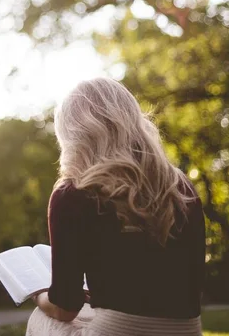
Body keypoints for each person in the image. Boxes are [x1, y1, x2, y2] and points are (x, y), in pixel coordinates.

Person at [26, 76, 206, 336]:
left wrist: (39, 295)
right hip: (187, 332)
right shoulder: (180, 187)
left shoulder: (72, 193)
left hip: (120, 331)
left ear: (73, 134)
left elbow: (65, 308)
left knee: (41, 318)